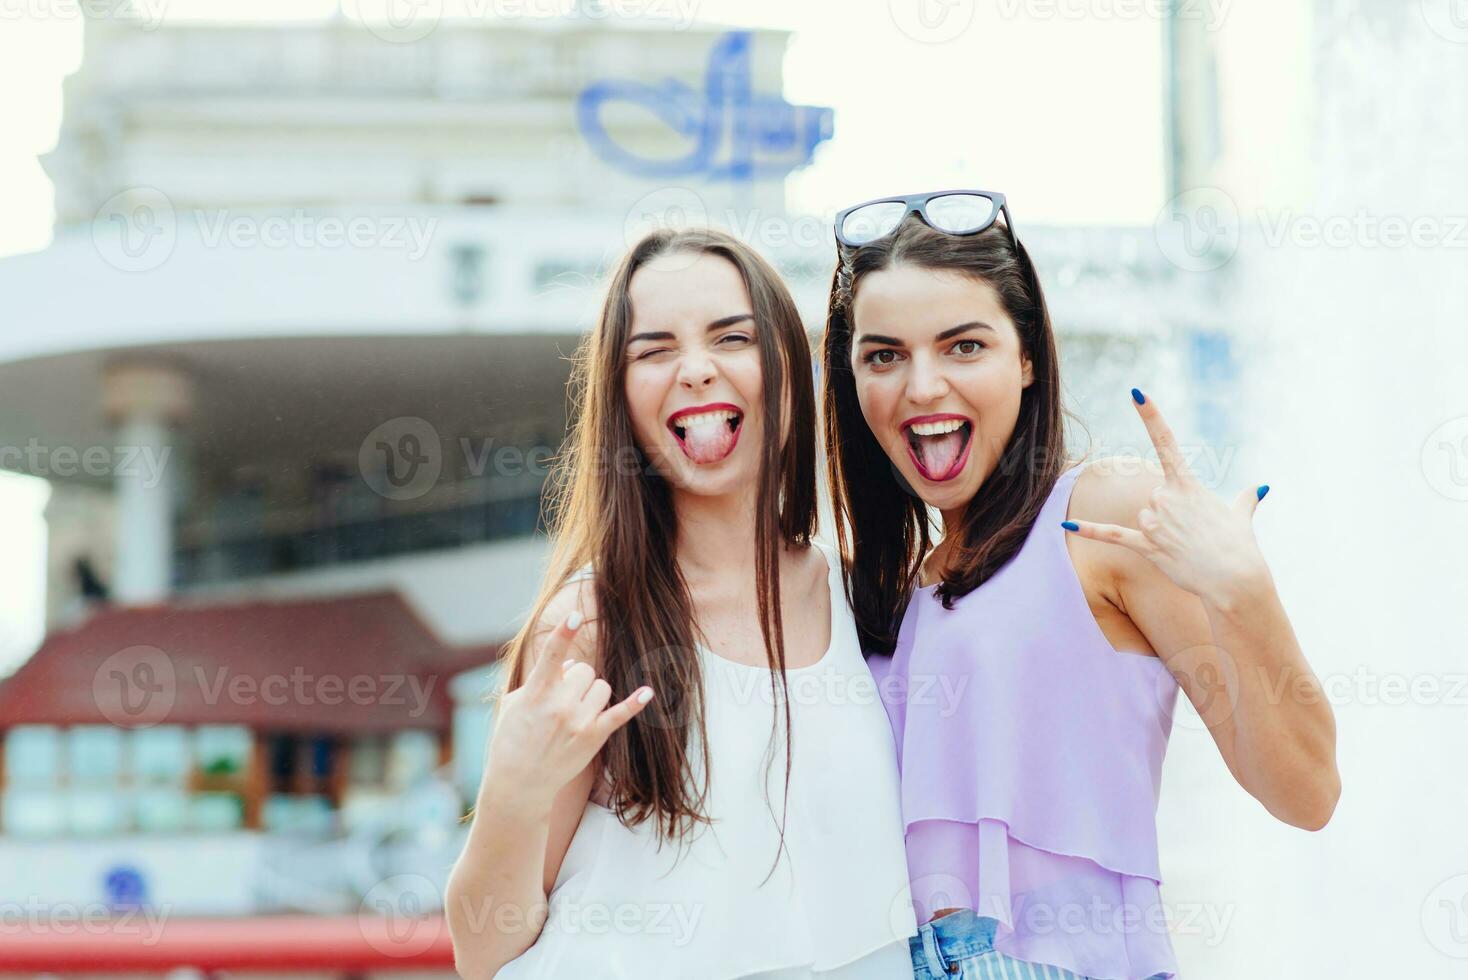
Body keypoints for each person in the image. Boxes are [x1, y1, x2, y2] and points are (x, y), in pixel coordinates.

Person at [820, 190, 1341, 979]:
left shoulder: (1099, 516)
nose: (921, 387)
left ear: (1026, 358)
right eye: (884, 355)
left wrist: (1245, 591)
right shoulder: (895, 589)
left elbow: (1308, 794)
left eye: (964, 347)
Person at [446, 227, 917, 979]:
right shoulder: (592, 624)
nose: (696, 370)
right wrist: (512, 791)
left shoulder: (870, 599)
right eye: (654, 349)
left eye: (732, 338)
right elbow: (483, 950)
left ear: (788, 371)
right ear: (621, 398)